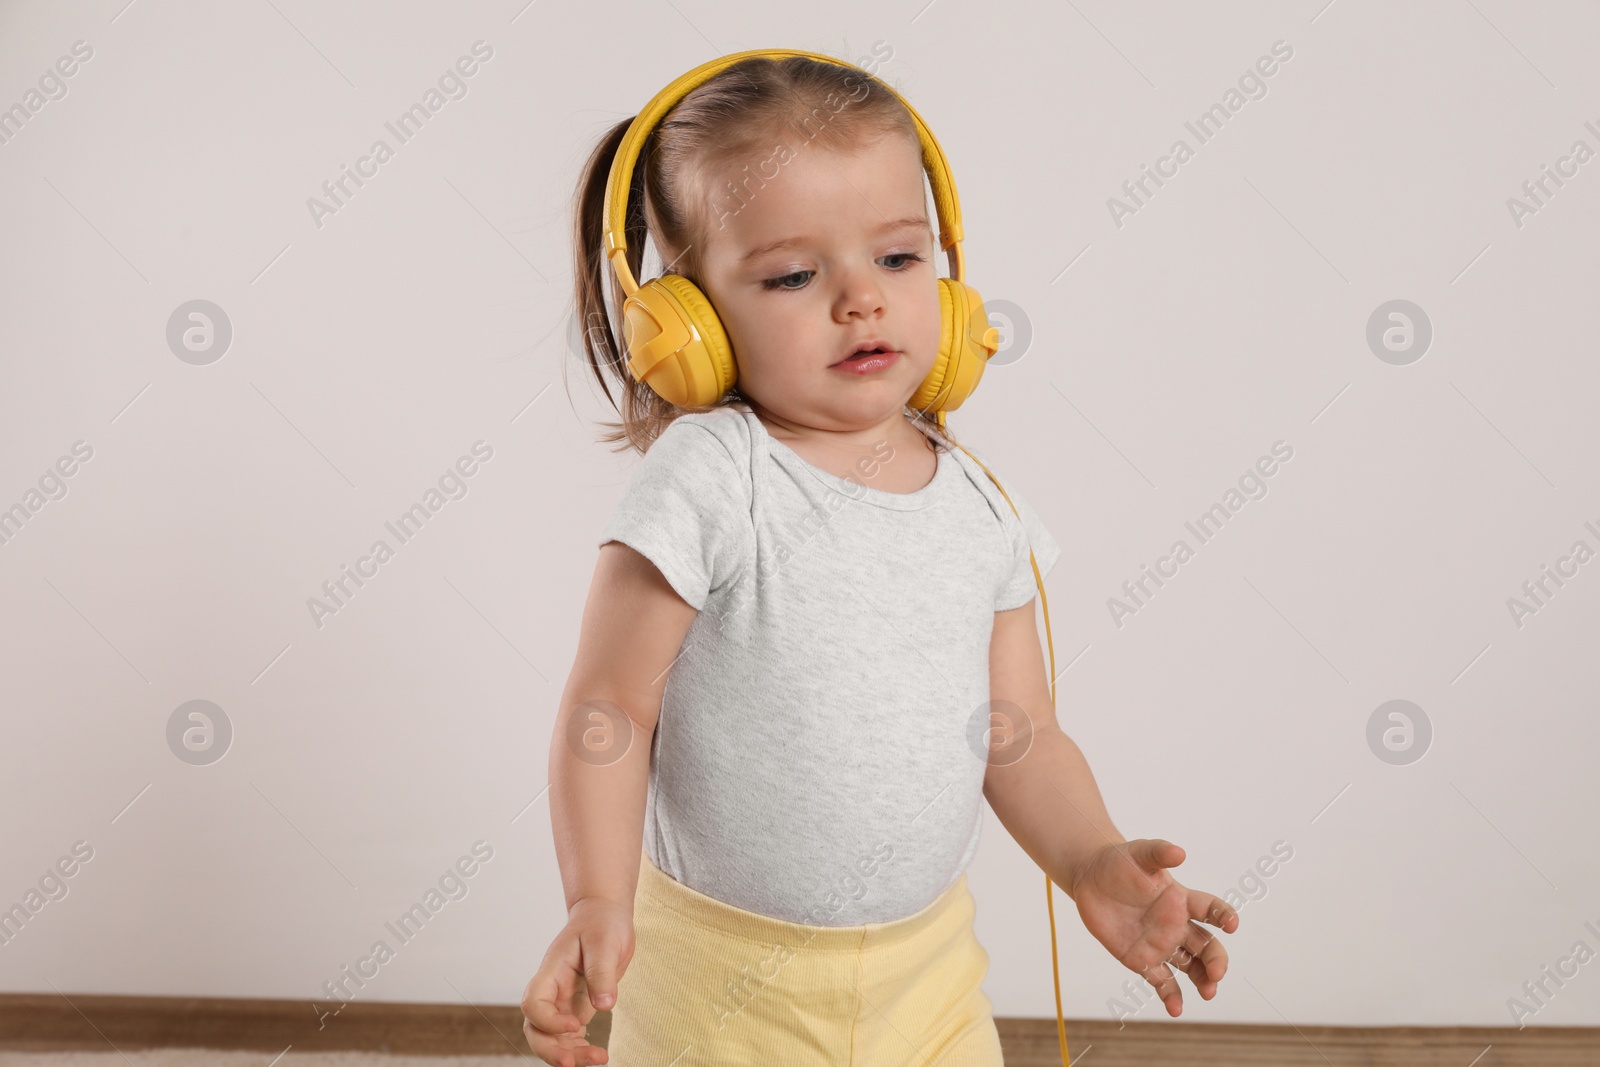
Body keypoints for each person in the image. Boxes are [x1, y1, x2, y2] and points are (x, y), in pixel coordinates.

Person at [521, 52, 1239, 1067]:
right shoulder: (716, 478)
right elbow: (609, 705)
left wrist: (1090, 859)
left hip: (928, 974)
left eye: (899, 260)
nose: (860, 299)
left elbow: (1019, 729)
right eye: (793, 275)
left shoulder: (982, 502)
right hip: (717, 984)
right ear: (688, 321)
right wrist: (595, 898)